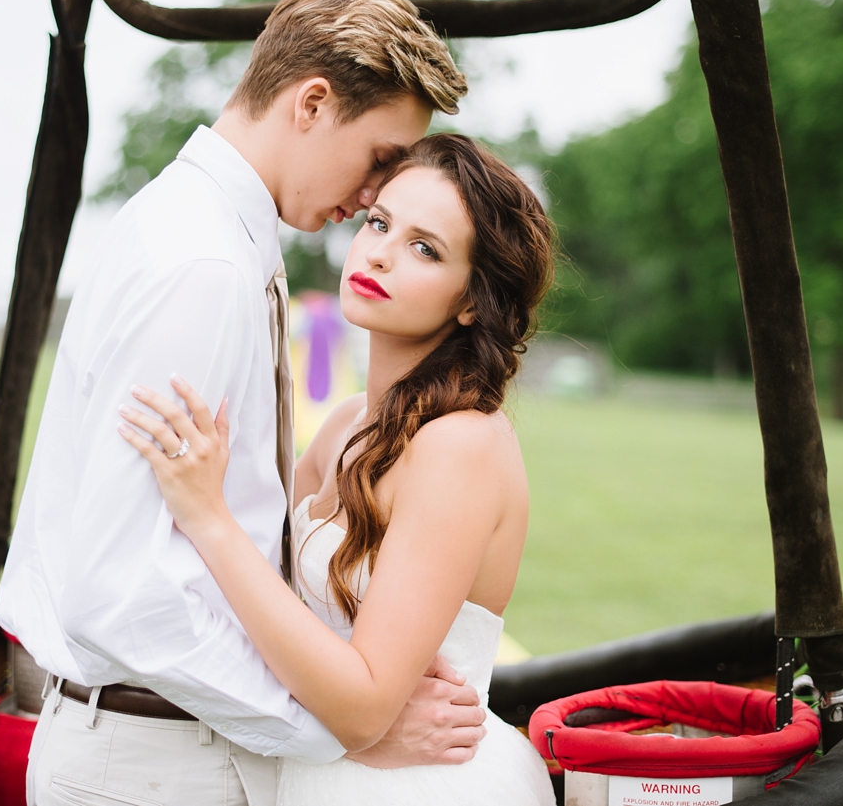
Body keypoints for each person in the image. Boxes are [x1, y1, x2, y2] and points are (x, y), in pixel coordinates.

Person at [0, 0, 481, 806]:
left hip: (170, 747)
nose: (373, 195)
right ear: (313, 103)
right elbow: (122, 593)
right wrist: (339, 726)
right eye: (378, 159)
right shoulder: (204, 264)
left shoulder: (215, 233)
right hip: (152, 766)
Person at [119, 134, 559, 805]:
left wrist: (208, 516)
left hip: (422, 784)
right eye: (379, 221)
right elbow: (260, 600)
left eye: (424, 247)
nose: (378, 250)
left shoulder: (462, 445)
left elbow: (363, 704)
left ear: (472, 301)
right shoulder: (346, 423)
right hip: (313, 774)